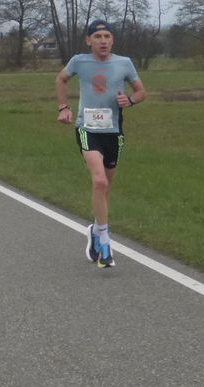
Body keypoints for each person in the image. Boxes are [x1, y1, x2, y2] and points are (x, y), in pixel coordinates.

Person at [56, 20, 146, 268]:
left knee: (105, 188)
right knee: (99, 180)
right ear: (89, 41)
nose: (103, 41)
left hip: (113, 131)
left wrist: (130, 100)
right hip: (87, 129)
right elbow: (61, 79)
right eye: (98, 37)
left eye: (107, 36)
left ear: (112, 40)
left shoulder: (124, 63)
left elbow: (141, 91)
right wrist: (63, 107)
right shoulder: (79, 62)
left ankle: (95, 230)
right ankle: (105, 241)